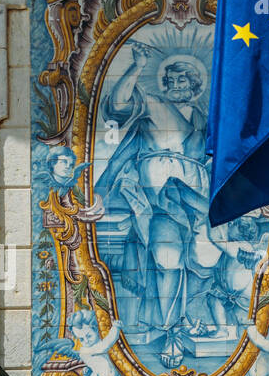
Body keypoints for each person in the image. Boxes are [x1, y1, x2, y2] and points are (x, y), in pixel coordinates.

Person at [93, 46, 222, 358]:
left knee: (202, 262)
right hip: (162, 201)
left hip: (198, 202)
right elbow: (118, 108)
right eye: (171, 80)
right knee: (167, 258)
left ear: (196, 86)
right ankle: (169, 330)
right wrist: (137, 67)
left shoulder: (207, 122)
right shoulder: (153, 106)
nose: (176, 85)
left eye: (183, 81)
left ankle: (191, 321)